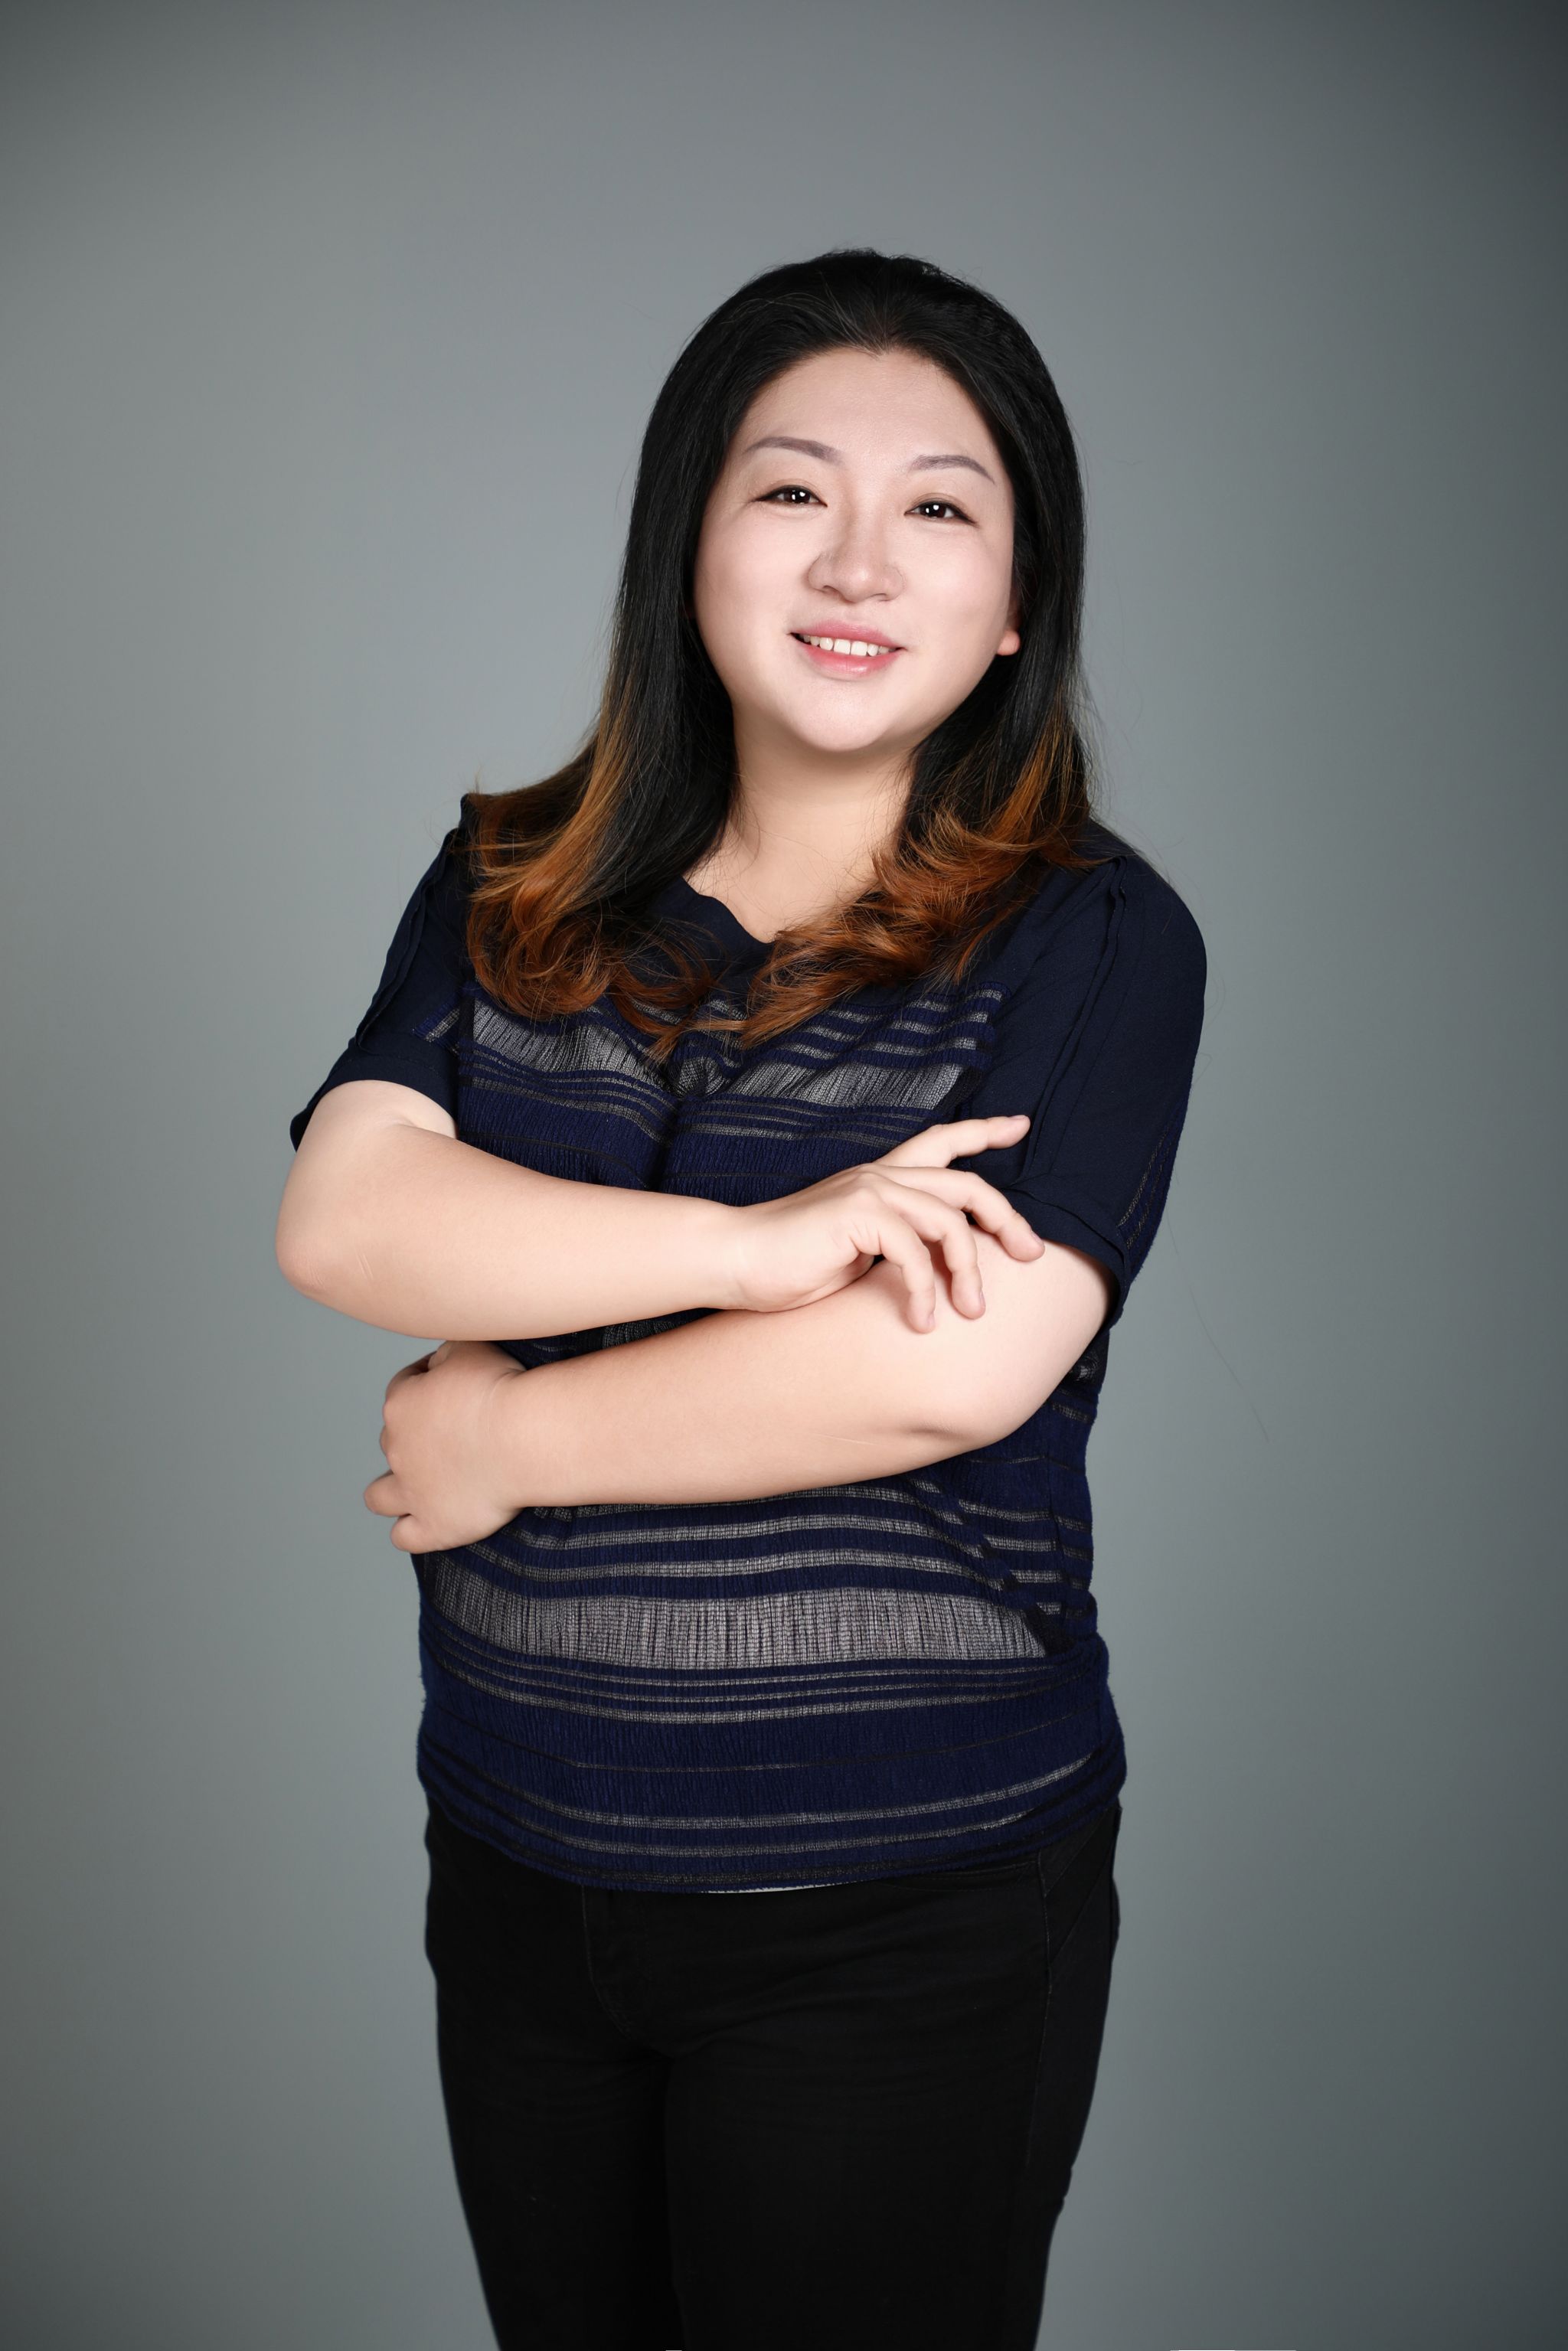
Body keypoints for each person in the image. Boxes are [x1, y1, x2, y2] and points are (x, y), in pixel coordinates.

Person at [276, 248, 1207, 2351]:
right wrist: (762, 1250)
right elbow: (349, 1215)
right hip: (518, 1853)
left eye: (941, 507)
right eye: (791, 491)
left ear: (1016, 600)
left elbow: (949, 1363)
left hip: (897, 1903)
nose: (859, 561)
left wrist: (503, 1432)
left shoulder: (1093, 942)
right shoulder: (509, 880)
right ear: (686, 542)